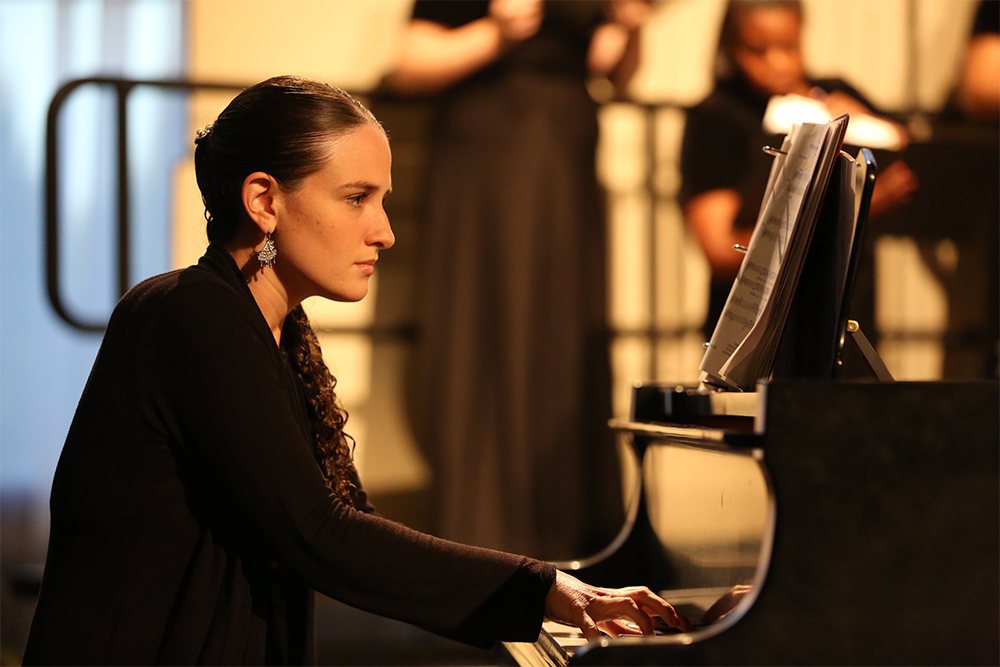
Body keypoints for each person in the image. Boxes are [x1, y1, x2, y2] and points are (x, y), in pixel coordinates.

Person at [21, 76, 690, 666]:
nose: (384, 230)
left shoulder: (265, 327)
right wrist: (546, 588)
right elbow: (320, 533)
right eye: (357, 198)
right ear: (263, 200)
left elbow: (347, 524)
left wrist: (555, 588)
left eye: (383, 199)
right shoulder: (189, 316)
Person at [384, 0, 651, 562]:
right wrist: (496, 33)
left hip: (567, 146)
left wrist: (628, 26)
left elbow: (612, 71)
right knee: (493, 321)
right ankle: (489, 530)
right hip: (493, 148)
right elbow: (409, 66)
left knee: (563, 331)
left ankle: (569, 522)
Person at [680, 0, 919, 341]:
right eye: (758, 50)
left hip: (845, 311)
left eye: (788, 47)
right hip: (757, 323)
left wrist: (865, 122)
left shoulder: (836, 91)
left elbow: (917, 169)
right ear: (731, 48)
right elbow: (720, 248)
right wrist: (843, 211)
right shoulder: (717, 117)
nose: (777, 63)